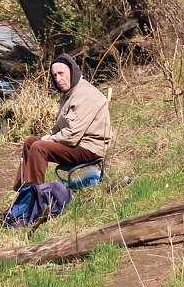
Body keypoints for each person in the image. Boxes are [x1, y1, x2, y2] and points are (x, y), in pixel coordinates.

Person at [13, 54, 111, 190]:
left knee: (39, 147)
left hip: (90, 148)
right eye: (55, 76)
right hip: (76, 143)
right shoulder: (69, 93)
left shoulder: (85, 95)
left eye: (61, 73)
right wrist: (47, 138)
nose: (58, 79)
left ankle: (35, 195)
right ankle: (22, 191)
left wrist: (47, 140)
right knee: (30, 142)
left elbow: (72, 135)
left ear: (72, 71)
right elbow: (60, 127)